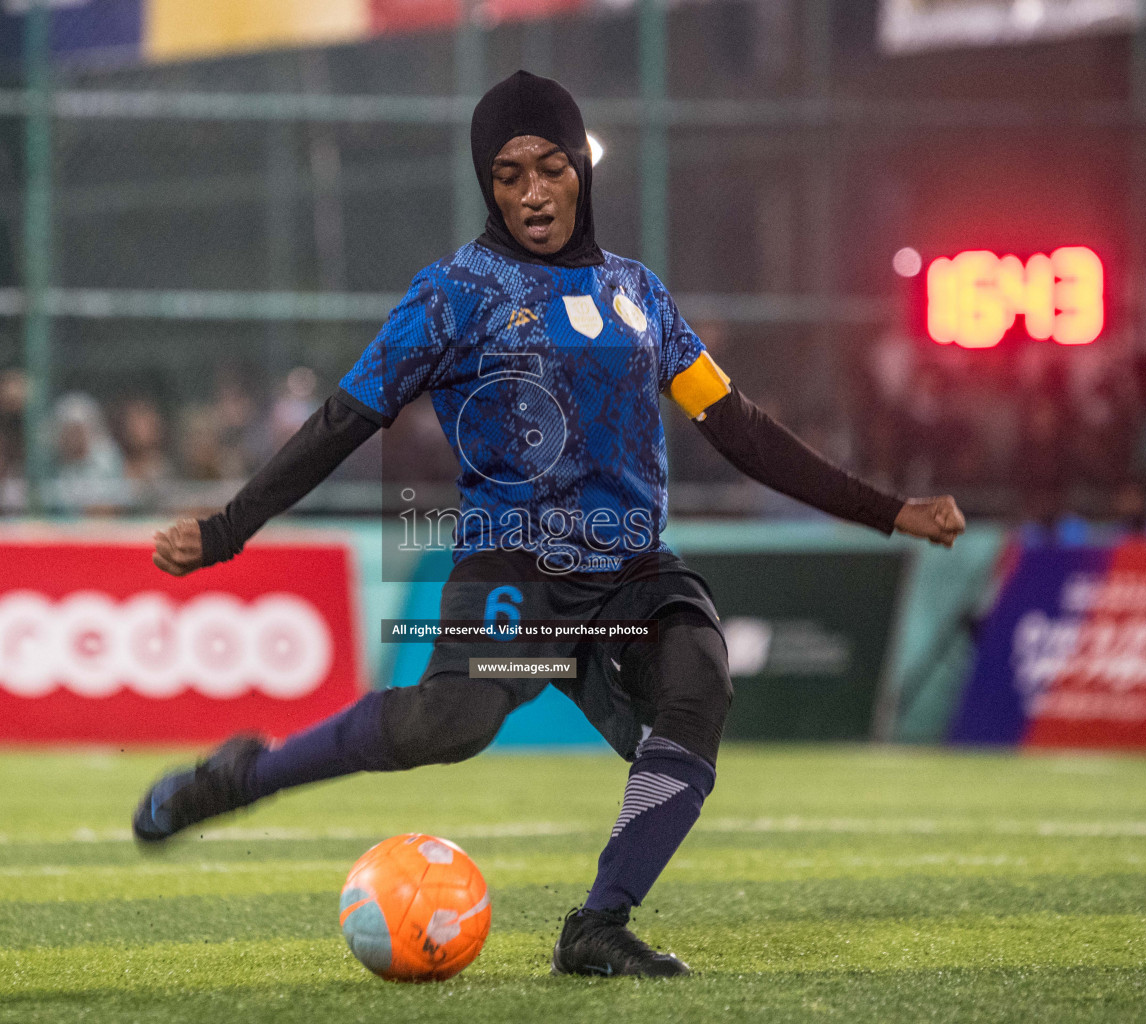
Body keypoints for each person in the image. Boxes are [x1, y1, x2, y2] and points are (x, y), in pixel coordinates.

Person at [132, 71, 964, 977]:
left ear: (582, 169)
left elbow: (740, 430)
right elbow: (347, 418)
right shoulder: (453, 293)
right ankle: (245, 775)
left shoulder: (637, 294)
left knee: (700, 682)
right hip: (514, 571)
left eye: (551, 168)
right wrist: (229, 527)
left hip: (631, 570)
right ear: (486, 185)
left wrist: (888, 511)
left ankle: (597, 927)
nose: (533, 191)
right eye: (508, 174)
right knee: (450, 726)